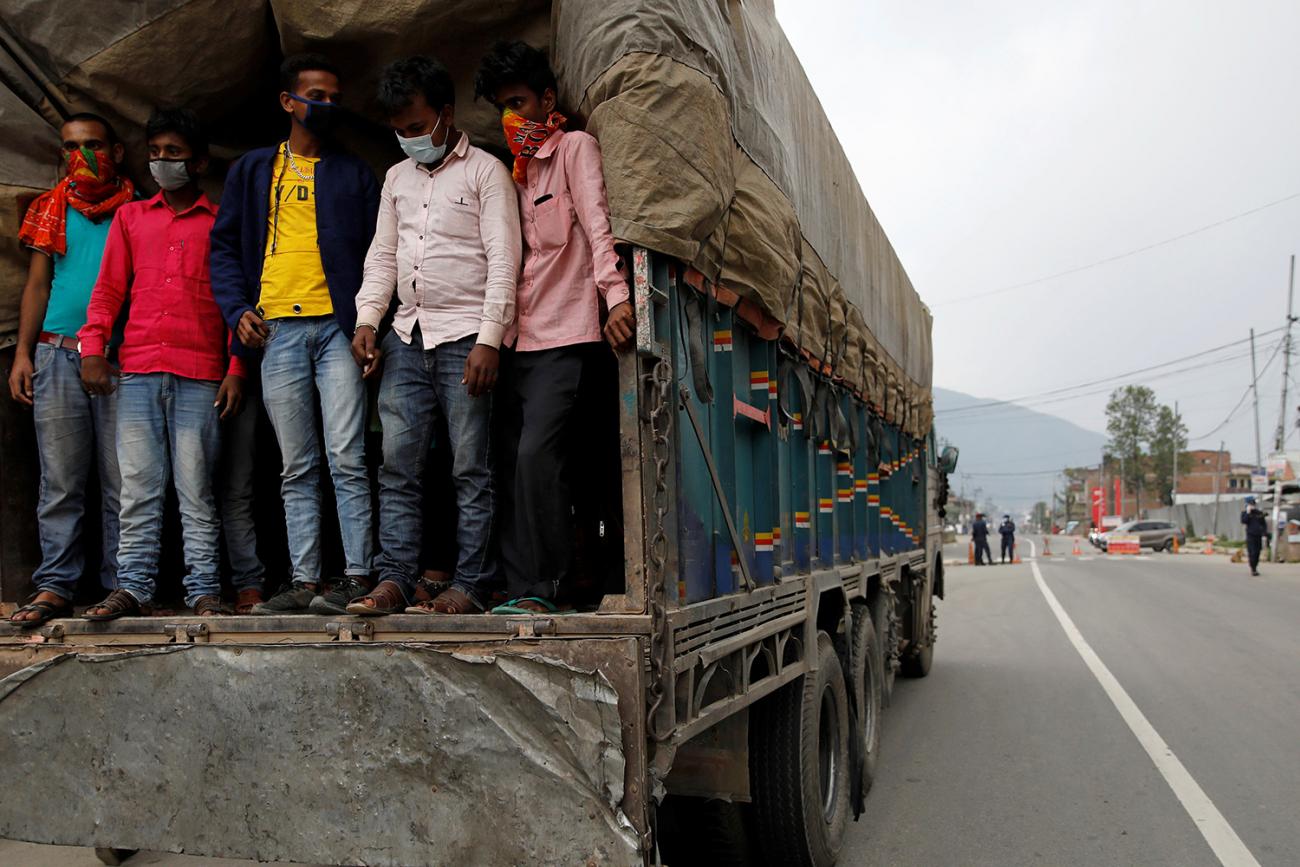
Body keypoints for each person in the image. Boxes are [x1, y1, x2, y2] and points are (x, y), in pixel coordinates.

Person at [347, 55, 520, 616]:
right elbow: (382, 256)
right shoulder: (396, 179)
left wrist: (490, 339)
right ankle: (395, 578)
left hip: (467, 336)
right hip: (406, 335)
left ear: (447, 115)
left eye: (418, 128)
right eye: (400, 131)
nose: (409, 139)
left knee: (471, 468)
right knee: (397, 467)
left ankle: (471, 583)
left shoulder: (486, 172)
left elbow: (503, 259)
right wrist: (368, 320)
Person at [210, 54, 380, 615]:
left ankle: (357, 577)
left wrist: (365, 324)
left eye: (333, 97)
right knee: (297, 464)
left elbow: (381, 256)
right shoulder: (254, 169)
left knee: (348, 456)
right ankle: (305, 581)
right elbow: (225, 248)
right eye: (315, 95)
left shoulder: (355, 174)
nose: (325, 106)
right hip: (277, 331)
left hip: (337, 330)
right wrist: (237, 310)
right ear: (288, 101)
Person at [473, 40, 633, 615]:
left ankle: (545, 586)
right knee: (512, 464)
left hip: (568, 335)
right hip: (519, 338)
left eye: (520, 102)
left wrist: (615, 297)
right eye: (502, 108)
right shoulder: (508, 172)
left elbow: (596, 225)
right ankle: (520, 588)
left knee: (539, 459)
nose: (512, 117)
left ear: (548, 99)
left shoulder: (575, 149)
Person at [74, 108, 244, 618]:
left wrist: (236, 367)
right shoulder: (131, 218)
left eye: (173, 154)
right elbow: (107, 292)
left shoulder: (220, 225)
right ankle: (134, 588)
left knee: (196, 490)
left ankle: (204, 591)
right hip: (139, 370)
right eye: (155, 153)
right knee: (138, 490)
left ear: (200, 163)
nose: (162, 162)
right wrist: (93, 349)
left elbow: (236, 301)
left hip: (200, 375)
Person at [7, 113, 133, 627]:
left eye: (94, 145)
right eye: (71, 147)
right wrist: (22, 353)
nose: (82, 157)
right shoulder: (50, 207)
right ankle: (56, 584)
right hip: (56, 353)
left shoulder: (139, 209)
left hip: (121, 355)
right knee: (60, 480)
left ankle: (123, 585)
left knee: (124, 479)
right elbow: (37, 287)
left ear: (118, 152)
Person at [1241, 496, 1269, 577]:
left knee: (1257, 552)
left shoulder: (1259, 513)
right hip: (1250, 536)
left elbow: (1264, 524)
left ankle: (1255, 566)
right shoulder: (1245, 513)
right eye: (1250, 504)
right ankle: (1253, 569)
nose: (1252, 505)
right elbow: (1244, 521)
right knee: (1252, 552)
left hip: (1258, 535)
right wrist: (1248, 512)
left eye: (1253, 504)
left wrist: (1264, 534)